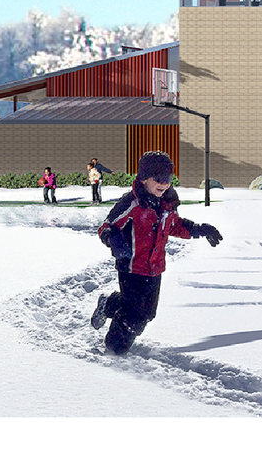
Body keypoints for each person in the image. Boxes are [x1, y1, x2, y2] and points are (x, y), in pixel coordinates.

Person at [90, 151, 223, 354]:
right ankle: (114, 350)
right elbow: (106, 227)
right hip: (132, 266)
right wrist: (115, 241)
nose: (165, 184)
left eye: (168, 178)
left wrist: (199, 229)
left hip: (155, 268)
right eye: (159, 179)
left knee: (148, 313)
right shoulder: (132, 203)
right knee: (134, 318)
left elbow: (174, 225)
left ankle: (107, 304)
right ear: (144, 178)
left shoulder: (167, 203)